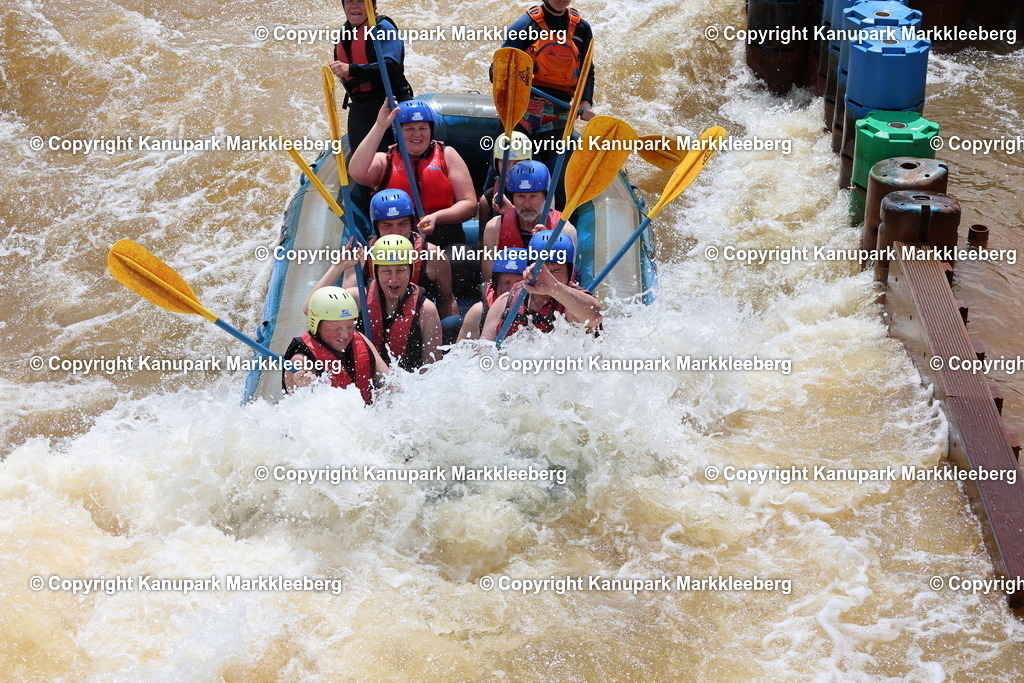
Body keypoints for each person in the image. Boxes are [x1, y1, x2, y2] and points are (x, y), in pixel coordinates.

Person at [497, 0, 597, 208]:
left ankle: (550, 228)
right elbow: (499, 68)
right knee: (504, 174)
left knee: (558, 184)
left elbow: (588, 70)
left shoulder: (582, 29)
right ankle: (496, 225)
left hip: (558, 113)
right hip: (521, 111)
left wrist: (585, 102)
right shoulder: (525, 25)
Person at [349, 100, 477, 249]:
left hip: (442, 231)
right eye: (409, 129)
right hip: (397, 235)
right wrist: (380, 125)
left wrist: (436, 217)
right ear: (397, 132)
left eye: (423, 128)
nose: (417, 134)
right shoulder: (385, 160)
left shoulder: (447, 155)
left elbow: (470, 205)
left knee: (462, 258)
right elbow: (356, 172)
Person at [329, 0, 414, 155]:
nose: (354, 6)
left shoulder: (383, 27)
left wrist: (351, 69)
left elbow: (391, 67)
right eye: (349, 1)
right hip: (361, 107)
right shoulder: (344, 35)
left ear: (372, 5)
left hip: (392, 101)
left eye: (361, 1)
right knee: (364, 168)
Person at [482, 230, 601, 340]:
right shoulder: (506, 301)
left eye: (556, 271)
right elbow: (484, 350)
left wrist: (554, 288)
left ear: (569, 273)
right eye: (541, 270)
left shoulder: (573, 306)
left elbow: (595, 316)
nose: (548, 277)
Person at [284, 286, 389, 403]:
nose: (344, 334)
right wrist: (304, 388)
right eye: (336, 328)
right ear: (317, 326)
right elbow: (299, 412)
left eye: (350, 326)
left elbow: (391, 383)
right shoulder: (301, 360)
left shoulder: (360, 338)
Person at [479, 160, 576, 281]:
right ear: (511, 197)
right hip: (507, 297)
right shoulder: (494, 228)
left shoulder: (564, 231)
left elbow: (568, 285)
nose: (527, 204)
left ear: (546, 197)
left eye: (534, 196)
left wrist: (549, 247)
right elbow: (489, 282)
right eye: (520, 196)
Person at [457, 248, 528, 341]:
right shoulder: (477, 312)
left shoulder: (534, 307)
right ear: (495, 284)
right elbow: (462, 352)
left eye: (519, 283)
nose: (512, 289)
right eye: (505, 282)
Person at [478, 131, 533, 226]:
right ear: (496, 163)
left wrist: (511, 212)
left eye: (517, 163)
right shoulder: (487, 199)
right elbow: (483, 240)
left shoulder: (542, 196)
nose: (510, 169)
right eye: (504, 162)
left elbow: (542, 234)